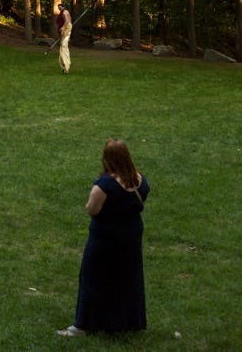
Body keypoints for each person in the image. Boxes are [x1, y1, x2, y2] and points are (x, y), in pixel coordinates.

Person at [58, 139, 150, 338]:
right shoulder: (140, 180)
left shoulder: (105, 185)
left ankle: (83, 325)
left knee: (93, 279)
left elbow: (92, 209)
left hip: (105, 239)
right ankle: (126, 322)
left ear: (108, 160)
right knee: (127, 279)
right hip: (131, 237)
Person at [57, 3, 73, 74]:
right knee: (63, 46)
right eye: (59, 8)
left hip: (67, 28)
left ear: (63, 7)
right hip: (66, 28)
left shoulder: (65, 12)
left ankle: (66, 65)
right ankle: (65, 65)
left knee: (64, 45)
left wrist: (63, 28)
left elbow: (67, 21)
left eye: (60, 7)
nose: (59, 9)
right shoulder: (64, 12)